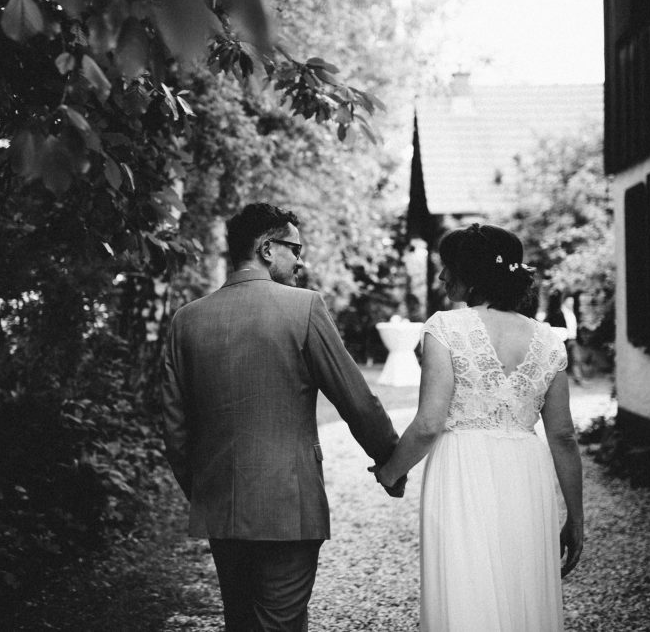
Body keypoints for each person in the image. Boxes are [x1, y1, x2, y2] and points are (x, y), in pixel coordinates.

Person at [162, 202, 404, 631]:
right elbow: (357, 400)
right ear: (267, 249)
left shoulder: (186, 321)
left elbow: (175, 430)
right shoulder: (304, 308)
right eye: (295, 249)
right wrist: (391, 460)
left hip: (221, 508)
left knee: (240, 621)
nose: (301, 261)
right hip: (287, 508)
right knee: (282, 623)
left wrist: (205, 492)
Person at [375, 223, 584, 631]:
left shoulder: (445, 328)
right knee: (518, 582)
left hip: (462, 470)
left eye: (447, 267)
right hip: (526, 475)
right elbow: (563, 435)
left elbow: (429, 424)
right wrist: (576, 518)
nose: (441, 276)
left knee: (465, 584)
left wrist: (390, 471)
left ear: (470, 273)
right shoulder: (548, 340)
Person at [545, 291, 584, 385]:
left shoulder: (573, 313)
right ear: (564, 301)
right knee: (560, 361)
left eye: (572, 301)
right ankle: (557, 381)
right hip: (563, 340)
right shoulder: (558, 313)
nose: (571, 303)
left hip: (573, 339)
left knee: (577, 359)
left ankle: (578, 379)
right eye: (569, 301)